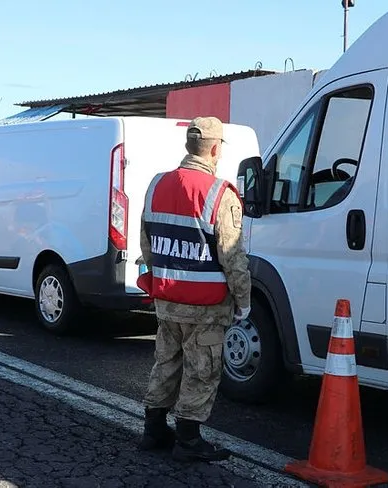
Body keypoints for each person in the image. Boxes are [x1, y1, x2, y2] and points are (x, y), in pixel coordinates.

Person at [137, 116, 252, 462]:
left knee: (166, 361)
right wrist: (243, 301)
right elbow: (233, 257)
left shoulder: (157, 185)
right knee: (203, 368)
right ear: (215, 148)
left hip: (168, 298)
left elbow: (147, 243)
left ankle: (154, 429)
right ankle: (187, 438)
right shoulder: (220, 193)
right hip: (206, 305)